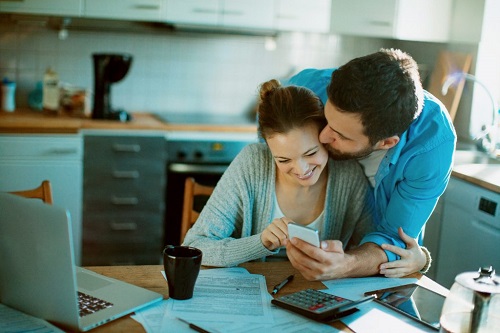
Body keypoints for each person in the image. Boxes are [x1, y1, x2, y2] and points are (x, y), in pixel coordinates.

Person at [183, 79, 426, 273]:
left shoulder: (348, 175)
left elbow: (373, 250)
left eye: (310, 153)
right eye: (283, 160)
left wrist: (421, 259)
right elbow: (195, 246)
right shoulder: (253, 162)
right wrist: (260, 243)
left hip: (316, 298)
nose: (300, 170)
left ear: (326, 137)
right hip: (249, 298)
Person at [285, 48, 455, 280]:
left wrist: (347, 264)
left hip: (374, 271)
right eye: (327, 118)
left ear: (386, 142)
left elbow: (395, 239)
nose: (323, 137)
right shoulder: (308, 89)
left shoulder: (433, 144)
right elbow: (271, 129)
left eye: (340, 135)